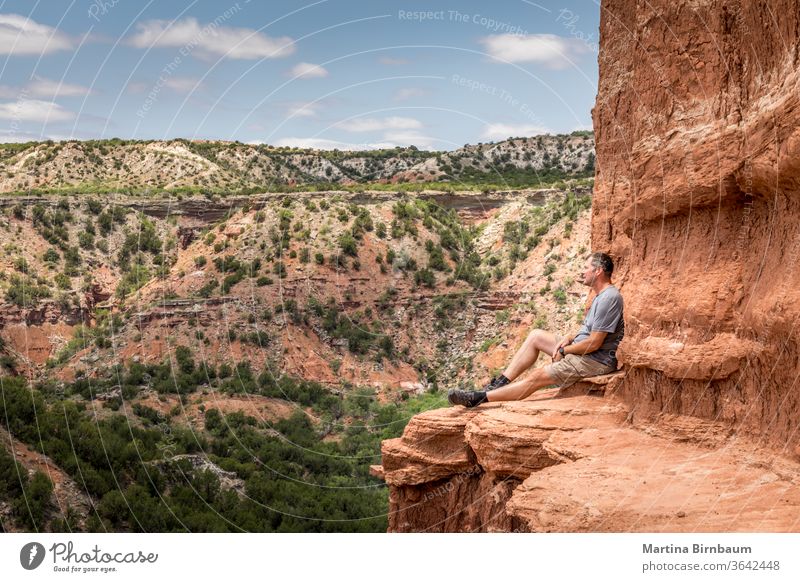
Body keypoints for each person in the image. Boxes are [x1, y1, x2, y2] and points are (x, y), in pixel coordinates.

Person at [448, 252, 624, 408]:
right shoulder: (601, 296)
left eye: (586, 268)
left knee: (538, 375)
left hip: (596, 361)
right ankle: (499, 384)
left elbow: (594, 343)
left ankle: (479, 398)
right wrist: (569, 338)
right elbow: (590, 331)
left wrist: (564, 350)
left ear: (598, 271)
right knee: (536, 336)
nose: (582, 272)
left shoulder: (609, 298)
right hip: (584, 352)